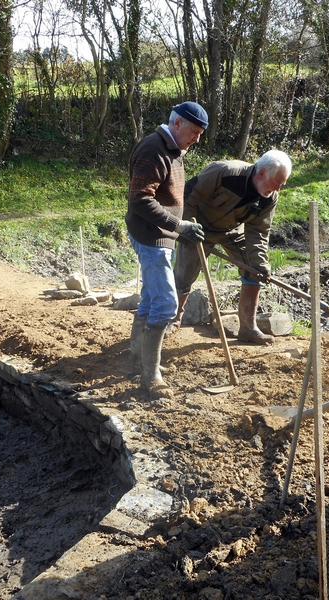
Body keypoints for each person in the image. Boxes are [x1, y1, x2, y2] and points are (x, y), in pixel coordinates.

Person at [125, 101, 208, 400]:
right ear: (177, 124)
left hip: (161, 235)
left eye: (200, 134)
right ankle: (150, 375)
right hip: (151, 237)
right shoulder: (153, 149)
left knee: (151, 296)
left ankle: (138, 355)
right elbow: (140, 200)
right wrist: (179, 225)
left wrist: (178, 227)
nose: (196, 139)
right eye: (194, 132)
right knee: (166, 304)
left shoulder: (173, 150)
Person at [170, 150, 292, 345]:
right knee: (185, 273)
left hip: (232, 231)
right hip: (198, 227)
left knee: (253, 269)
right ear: (262, 174)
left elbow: (258, 231)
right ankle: (173, 319)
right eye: (277, 182)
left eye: (282, 184)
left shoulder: (270, 197)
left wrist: (259, 263)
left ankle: (248, 328)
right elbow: (187, 196)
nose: (278, 189)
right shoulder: (224, 172)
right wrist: (187, 227)